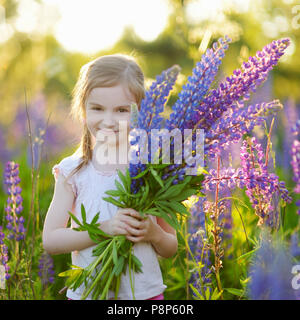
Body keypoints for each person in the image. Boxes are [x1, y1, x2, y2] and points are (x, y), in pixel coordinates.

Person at [42, 54, 178, 300]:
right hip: (88, 294)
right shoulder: (73, 170)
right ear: (83, 110)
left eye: (121, 110)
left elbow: (171, 247)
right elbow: (51, 240)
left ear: (142, 112)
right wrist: (105, 229)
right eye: (97, 108)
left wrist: (154, 234)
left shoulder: (153, 169)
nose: (108, 120)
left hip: (143, 296)